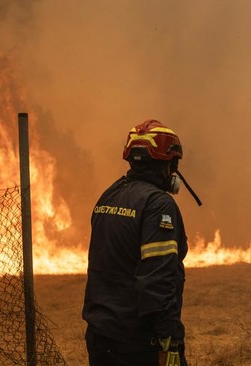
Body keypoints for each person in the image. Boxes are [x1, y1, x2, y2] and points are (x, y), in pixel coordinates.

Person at [82, 120, 189, 366]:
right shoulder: (158, 204)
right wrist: (168, 340)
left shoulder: (109, 195)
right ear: (168, 162)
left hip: (100, 335)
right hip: (139, 343)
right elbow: (158, 278)